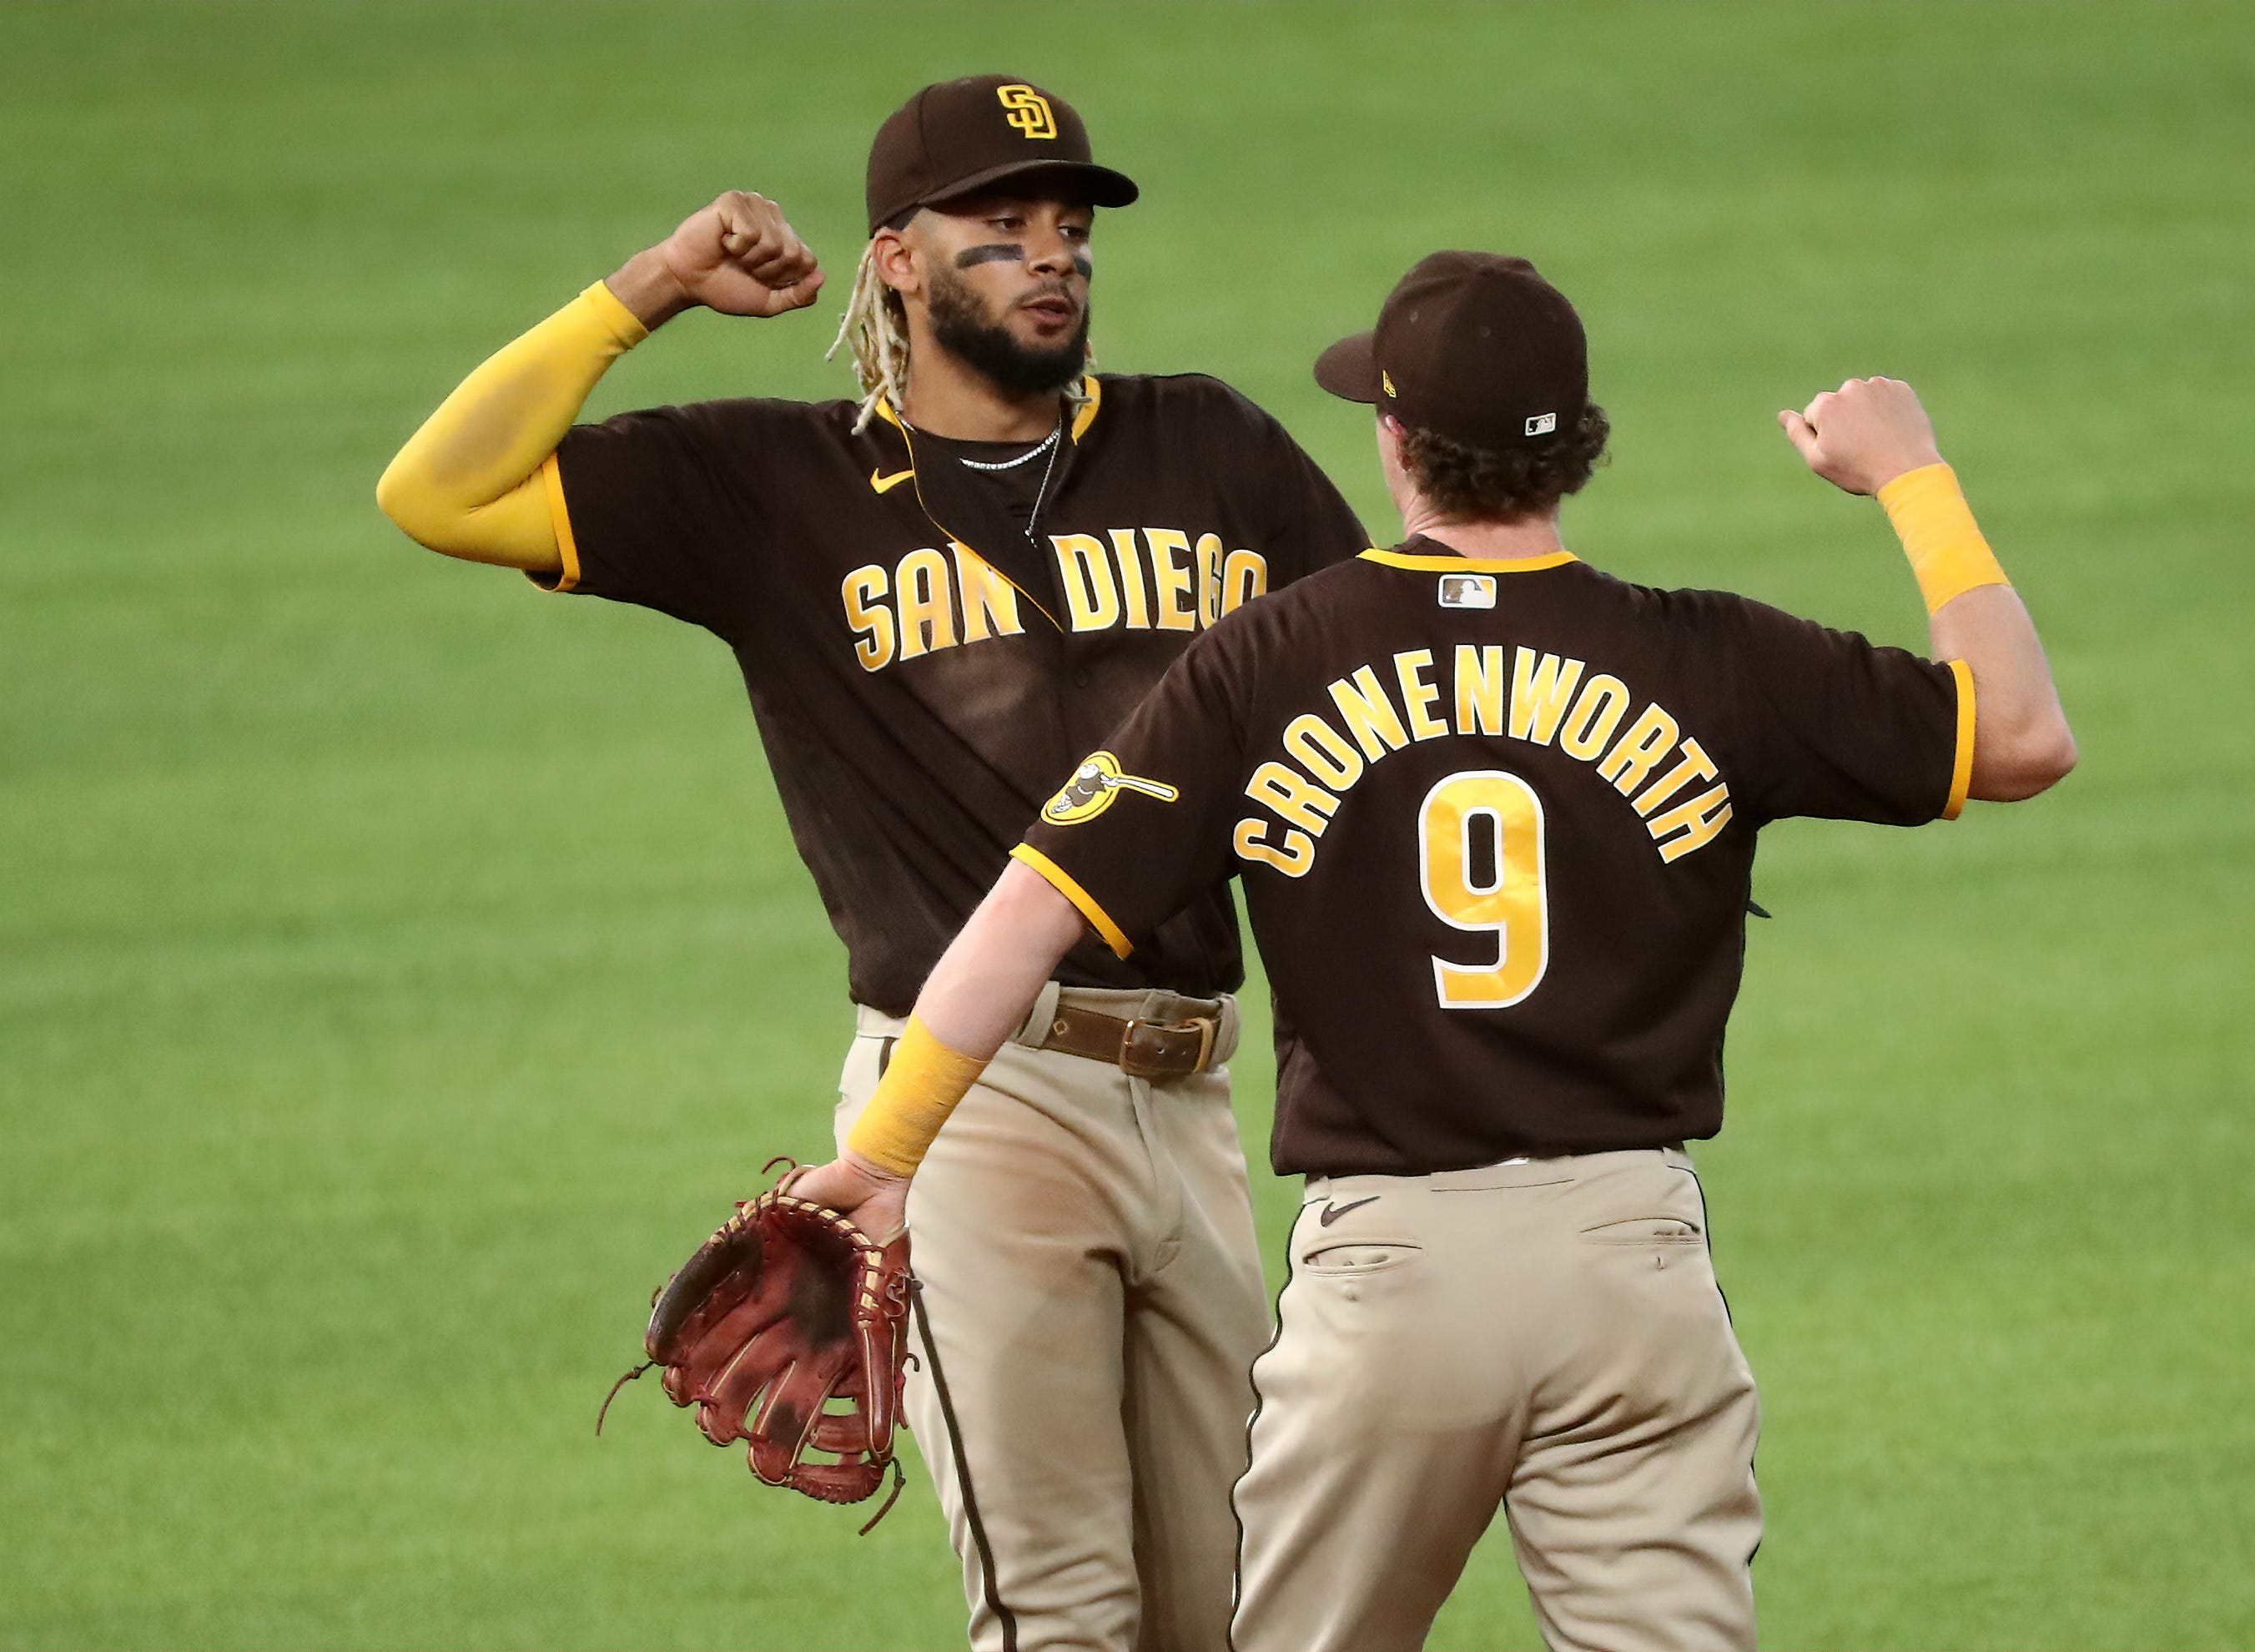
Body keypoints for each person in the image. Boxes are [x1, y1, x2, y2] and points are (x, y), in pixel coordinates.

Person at [793, 250, 2077, 1651]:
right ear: (1575, 447)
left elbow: (1024, 917)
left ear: (1397, 443)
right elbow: (2018, 738)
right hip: (1628, 1265)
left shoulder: (1266, 660)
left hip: (1392, 1280)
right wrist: (1910, 478)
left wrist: (889, 1150)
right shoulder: (1714, 659)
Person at [375, 74, 1369, 1652]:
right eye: (1000, 230)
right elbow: (437, 492)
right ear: (895, 262)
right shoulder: (775, 487)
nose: (1050, 258)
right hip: (975, 1109)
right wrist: (642, 293)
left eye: (1068, 230)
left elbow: (1380, 712)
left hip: (1197, 1101)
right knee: (1059, 1612)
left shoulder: (1215, 447)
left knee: (1244, 1613)